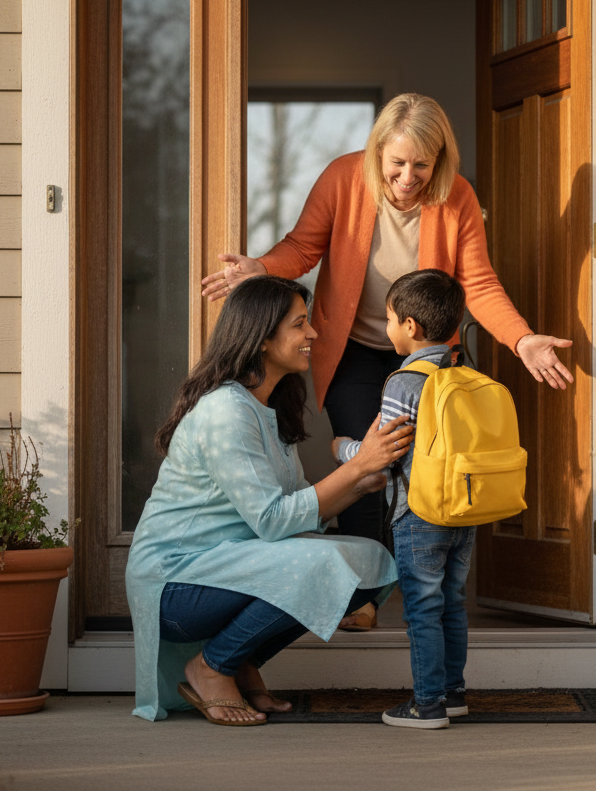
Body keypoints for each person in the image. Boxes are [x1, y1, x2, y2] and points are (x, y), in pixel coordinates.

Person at [201, 93, 573, 631]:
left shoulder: (456, 197)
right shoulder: (343, 178)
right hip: (351, 347)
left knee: (420, 462)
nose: (407, 176)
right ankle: (362, 598)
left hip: (422, 354)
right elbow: (303, 248)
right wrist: (259, 267)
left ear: (439, 159)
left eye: (421, 164)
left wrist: (522, 341)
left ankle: (422, 585)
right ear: (378, 153)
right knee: (365, 461)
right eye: (397, 162)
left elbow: (480, 283)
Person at [125, 275, 412, 725]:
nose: (313, 334)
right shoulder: (226, 411)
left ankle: (239, 661)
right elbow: (274, 521)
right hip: (177, 583)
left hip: (231, 566)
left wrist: (357, 484)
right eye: (301, 324)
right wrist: (354, 468)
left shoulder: (267, 408)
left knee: (372, 564)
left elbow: (298, 509)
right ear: (261, 338)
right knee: (320, 566)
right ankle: (211, 667)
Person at [333, 269, 472, 729]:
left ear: (410, 326)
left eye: (389, 318)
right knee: (451, 602)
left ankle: (426, 703)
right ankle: (453, 694)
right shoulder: (464, 372)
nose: (387, 327)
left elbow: (384, 453)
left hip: (418, 513)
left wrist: (343, 450)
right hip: (463, 510)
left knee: (422, 607)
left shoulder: (403, 382)